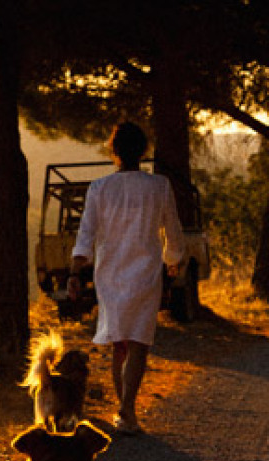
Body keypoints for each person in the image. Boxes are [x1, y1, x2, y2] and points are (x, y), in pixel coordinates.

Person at [67, 122, 185, 435]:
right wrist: (173, 260)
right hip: (145, 272)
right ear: (143, 151)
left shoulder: (99, 188)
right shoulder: (159, 186)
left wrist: (76, 272)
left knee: (119, 342)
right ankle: (127, 410)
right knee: (139, 342)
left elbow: (86, 233)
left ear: (113, 151)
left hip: (110, 273)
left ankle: (125, 411)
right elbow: (172, 229)